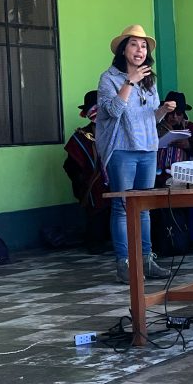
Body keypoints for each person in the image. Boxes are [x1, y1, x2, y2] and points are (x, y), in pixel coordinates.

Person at [96, 24, 174, 284]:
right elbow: (114, 111)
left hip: (148, 148)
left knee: (144, 207)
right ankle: (125, 264)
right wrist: (130, 82)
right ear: (123, 50)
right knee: (122, 206)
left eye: (143, 46)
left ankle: (147, 260)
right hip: (122, 149)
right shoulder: (109, 78)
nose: (140, 50)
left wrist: (163, 110)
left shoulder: (150, 80)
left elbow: (150, 117)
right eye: (134, 45)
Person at [63, 90, 110, 254]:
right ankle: (95, 242)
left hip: (117, 178)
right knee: (96, 206)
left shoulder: (115, 132)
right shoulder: (81, 137)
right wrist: (83, 181)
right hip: (92, 184)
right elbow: (70, 166)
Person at [155, 91, 193, 187]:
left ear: (183, 115)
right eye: (171, 113)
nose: (174, 117)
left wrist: (189, 146)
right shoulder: (154, 128)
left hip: (185, 178)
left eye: (178, 113)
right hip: (158, 177)